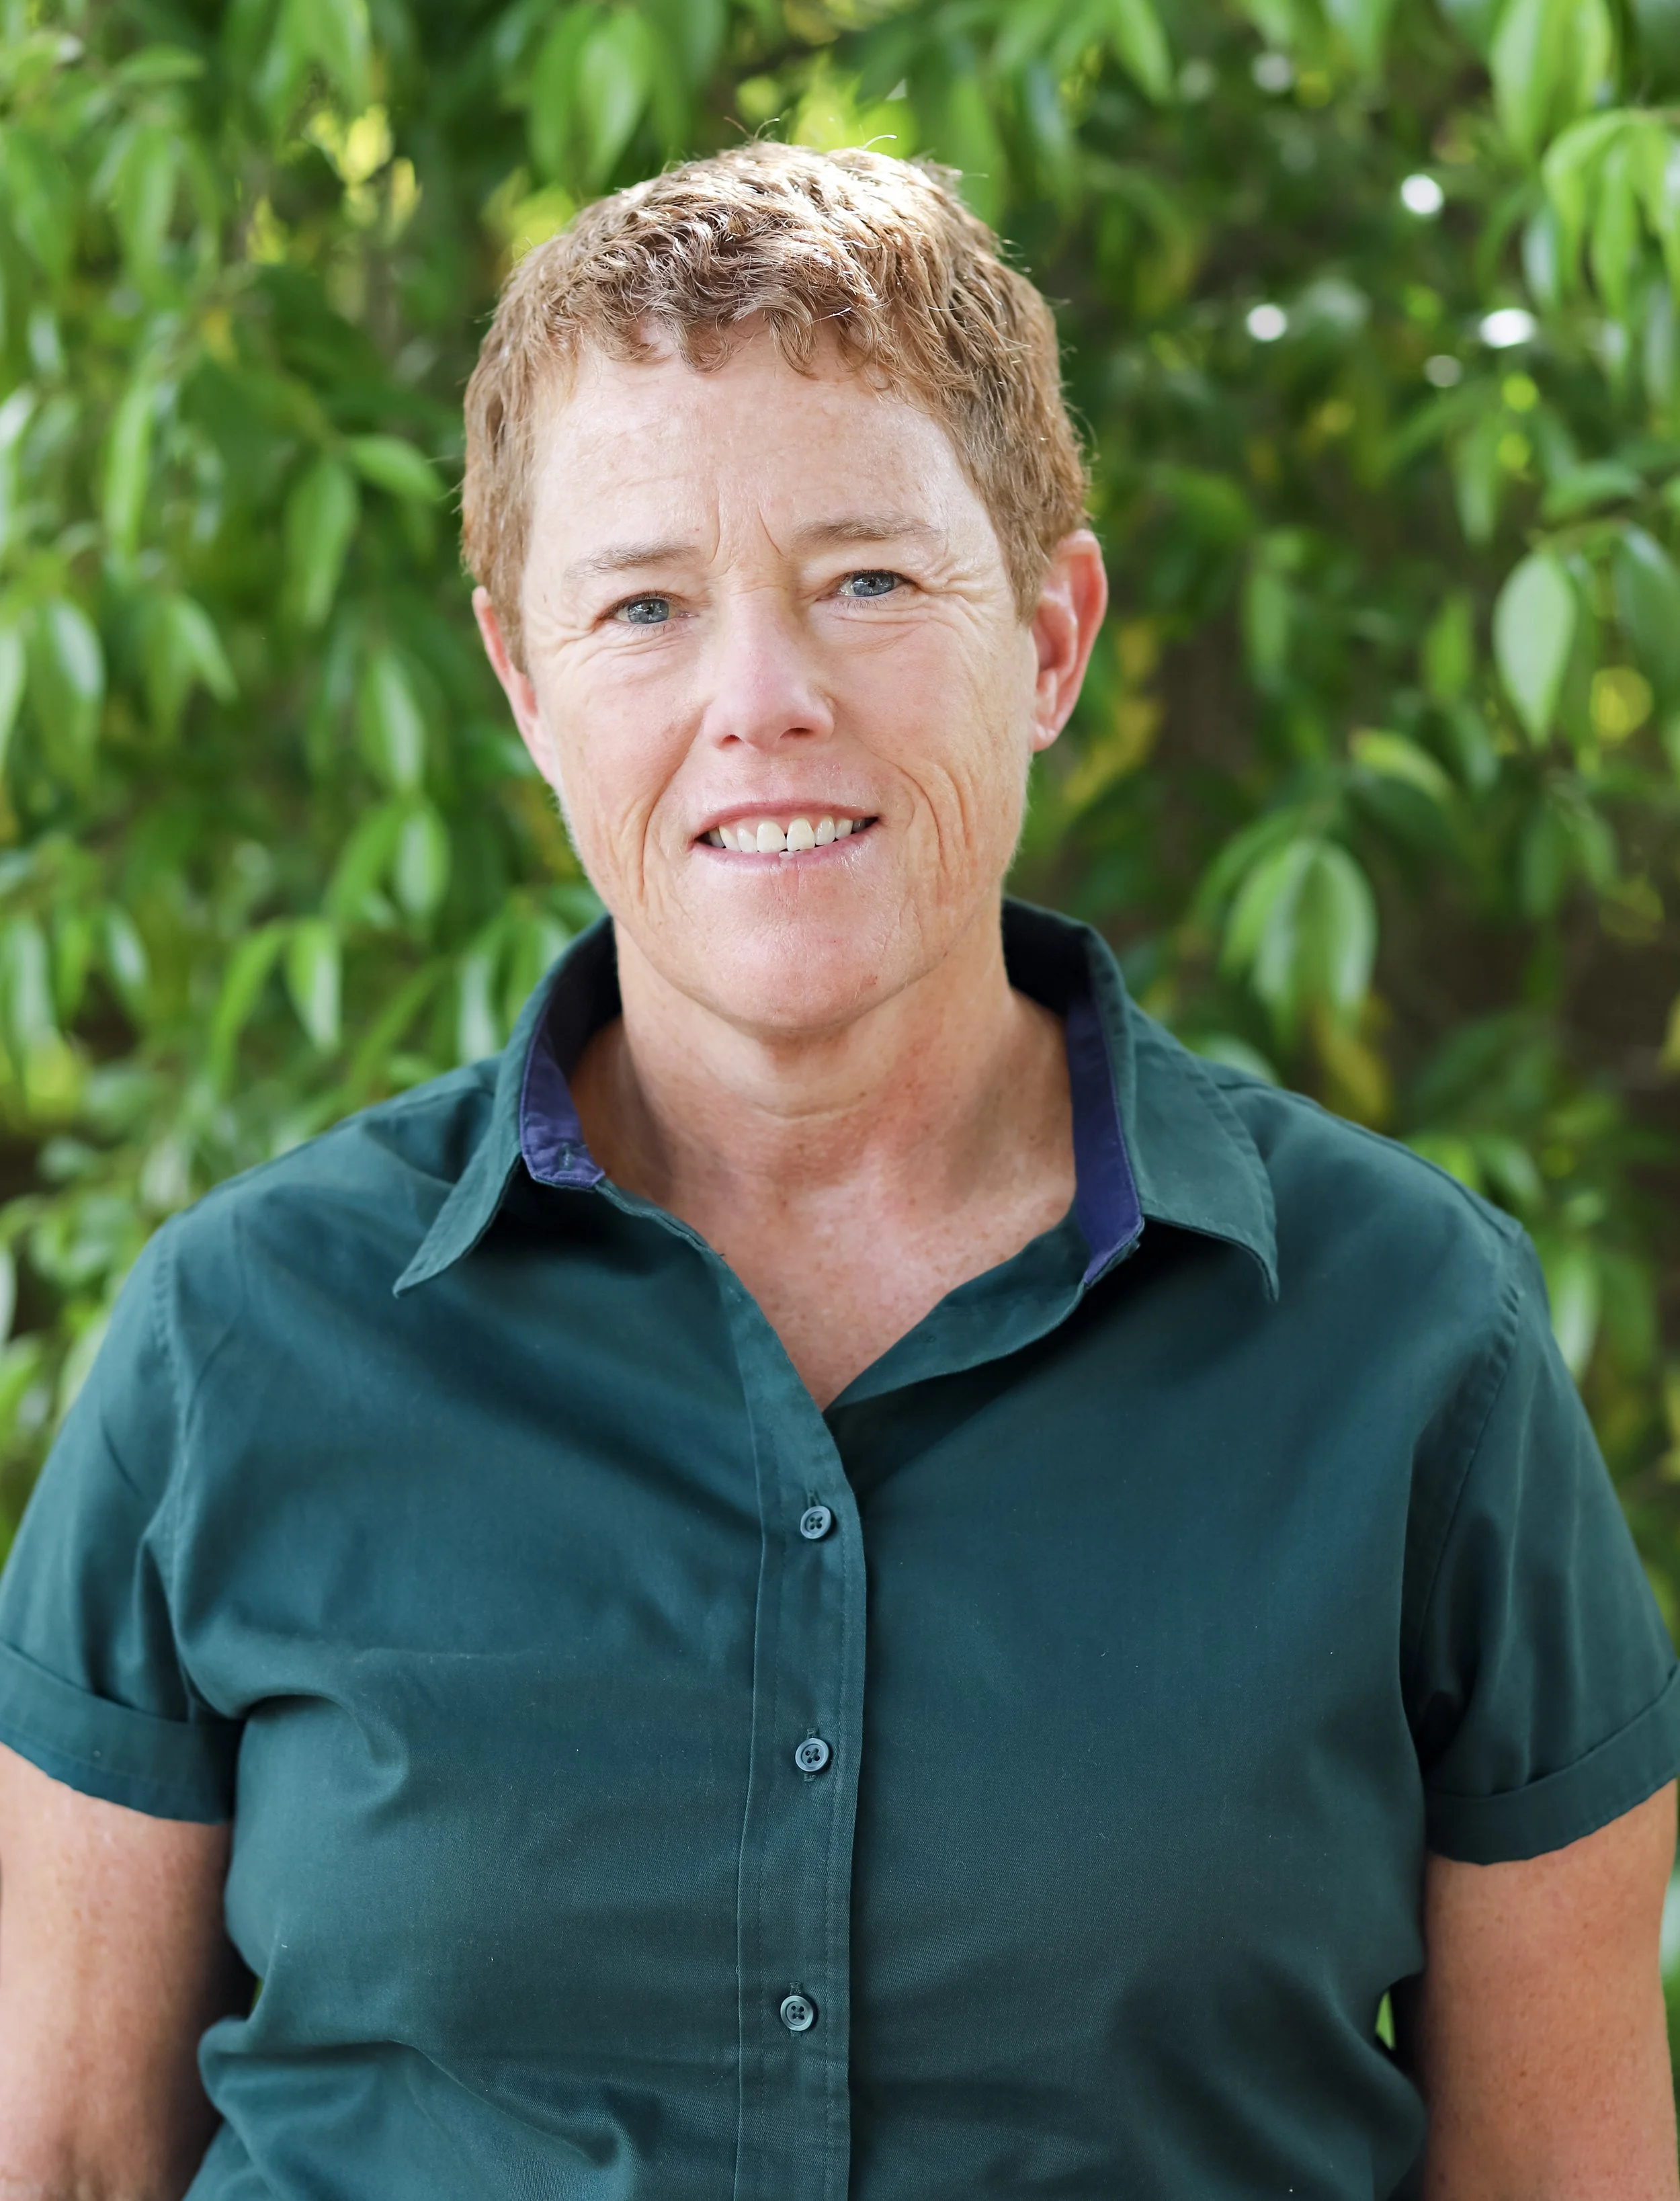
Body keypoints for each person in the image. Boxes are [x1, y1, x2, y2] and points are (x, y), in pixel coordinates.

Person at [0, 140, 1675, 2201]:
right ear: (525, 686)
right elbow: (64, 2157)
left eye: (869, 579)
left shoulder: (1415, 1340)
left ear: (1051, 637)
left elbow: (1564, 2173)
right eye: (642, 607)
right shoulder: (231, 1344)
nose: (760, 705)